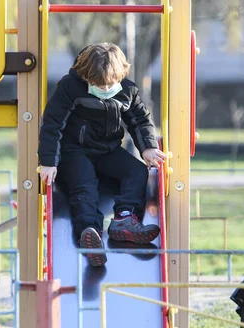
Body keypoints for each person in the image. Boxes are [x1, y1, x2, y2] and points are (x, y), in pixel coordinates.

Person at [37, 43, 166, 267]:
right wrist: (48, 161)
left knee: (136, 171)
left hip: (107, 150)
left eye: (110, 84)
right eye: (98, 85)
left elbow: (140, 120)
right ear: (85, 75)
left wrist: (147, 147)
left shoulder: (127, 90)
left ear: (120, 74)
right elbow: (52, 124)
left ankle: (124, 219)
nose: (105, 89)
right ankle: (90, 233)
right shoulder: (70, 87)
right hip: (74, 151)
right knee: (84, 185)